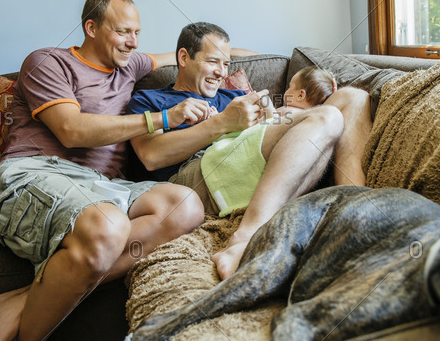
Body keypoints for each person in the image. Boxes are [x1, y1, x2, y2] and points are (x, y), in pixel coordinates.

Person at [0, 0, 207, 341]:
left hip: (100, 186)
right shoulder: (47, 62)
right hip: (34, 172)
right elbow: (71, 130)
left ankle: (21, 301)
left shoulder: (130, 63)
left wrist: (228, 54)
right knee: (108, 224)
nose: (133, 43)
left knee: (186, 205)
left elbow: (174, 58)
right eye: (123, 32)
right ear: (91, 28)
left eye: (137, 33)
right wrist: (159, 119)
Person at [127, 22, 373, 280]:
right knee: (328, 117)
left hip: (253, 157)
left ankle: (359, 209)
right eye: (213, 62)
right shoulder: (149, 100)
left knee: (353, 97)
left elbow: (269, 118)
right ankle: (246, 236)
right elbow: (151, 156)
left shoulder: (231, 96)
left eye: (225, 64)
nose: (221, 72)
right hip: (198, 176)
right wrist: (220, 124)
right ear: (184, 57)